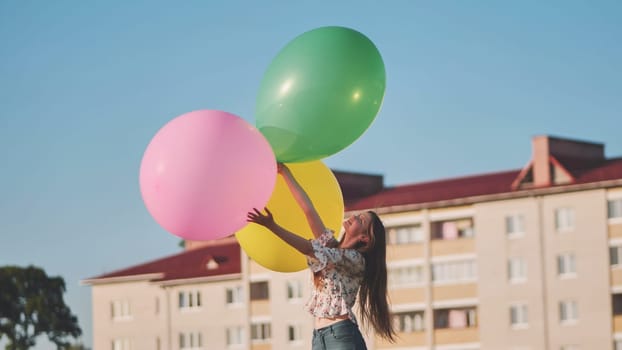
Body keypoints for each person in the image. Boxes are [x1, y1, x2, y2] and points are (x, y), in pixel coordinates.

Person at [247, 164, 396, 350]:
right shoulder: (331, 245)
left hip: (341, 334)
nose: (355, 217)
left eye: (361, 220)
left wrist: (272, 226)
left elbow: (308, 249)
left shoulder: (356, 260)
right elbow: (308, 211)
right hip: (319, 336)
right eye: (358, 214)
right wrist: (285, 173)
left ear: (364, 238)